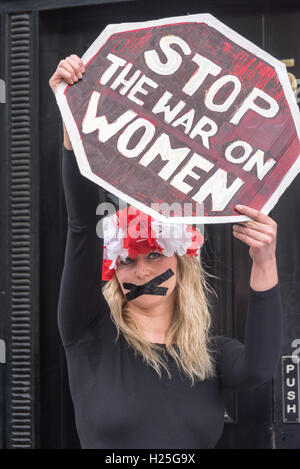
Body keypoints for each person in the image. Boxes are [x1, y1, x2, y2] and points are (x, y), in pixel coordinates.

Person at [49, 55, 282, 449]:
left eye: (154, 255)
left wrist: (265, 258)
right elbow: (82, 228)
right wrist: (70, 109)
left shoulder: (211, 356)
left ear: (181, 262)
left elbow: (259, 367)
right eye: (126, 260)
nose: (139, 271)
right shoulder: (87, 334)